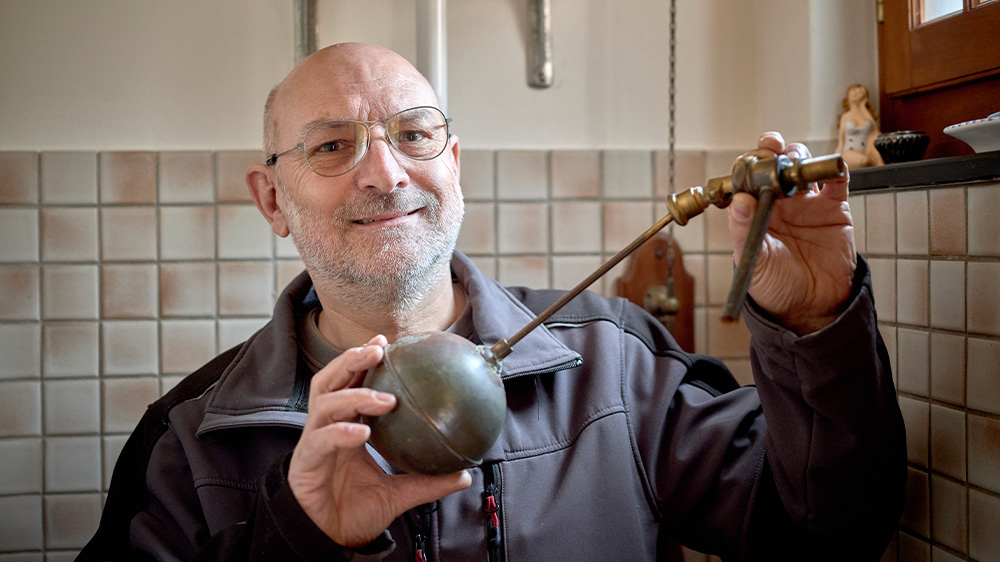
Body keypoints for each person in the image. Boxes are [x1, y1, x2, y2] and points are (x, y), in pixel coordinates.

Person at [79, 43, 906, 561]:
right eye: (333, 146)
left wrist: (813, 323)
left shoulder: (617, 363)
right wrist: (295, 537)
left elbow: (829, 536)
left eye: (413, 134)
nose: (386, 173)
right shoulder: (191, 442)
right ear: (272, 201)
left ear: (454, 161)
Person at [836, 83, 885, 169]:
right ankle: (878, 166)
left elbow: (876, 132)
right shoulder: (846, 116)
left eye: (860, 92)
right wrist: (837, 158)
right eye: (853, 91)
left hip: (865, 150)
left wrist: (863, 105)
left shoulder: (866, 116)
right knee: (863, 161)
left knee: (875, 137)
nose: (856, 93)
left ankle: (880, 164)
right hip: (849, 152)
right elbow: (841, 142)